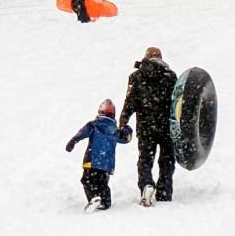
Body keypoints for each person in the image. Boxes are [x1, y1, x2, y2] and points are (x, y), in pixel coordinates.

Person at [119, 48, 178, 204]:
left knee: (145, 159)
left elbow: (130, 101)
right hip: (167, 126)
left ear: (145, 58)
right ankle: (164, 191)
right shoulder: (171, 77)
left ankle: (146, 184)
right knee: (167, 160)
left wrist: (124, 118)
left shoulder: (136, 77)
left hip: (146, 127)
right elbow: (178, 103)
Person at [66, 99, 132, 211]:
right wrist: (127, 129)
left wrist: (73, 141)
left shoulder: (93, 125)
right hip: (107, 164)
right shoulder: (115, 130)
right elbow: (126, 138)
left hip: (91, 160)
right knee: (103, 183)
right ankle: (105, 202)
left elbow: (82, 133)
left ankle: (94, 197)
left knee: (87, 180)